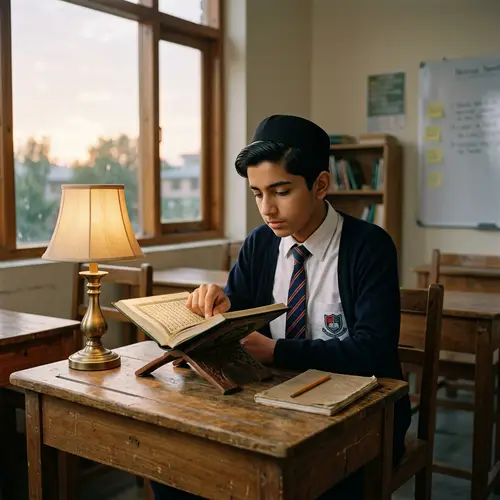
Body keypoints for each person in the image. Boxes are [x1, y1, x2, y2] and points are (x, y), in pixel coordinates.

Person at [151, 114, 411, 499]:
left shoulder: (368, 246)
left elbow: (373, 351)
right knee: (175, 469)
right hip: (271, 405)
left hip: (361, 415)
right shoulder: (260, 243)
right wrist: (211, 310)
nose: (267, 208)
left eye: (281, 191)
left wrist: (276, 350)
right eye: (257, 194)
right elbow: (234, 318)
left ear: (321, 184)